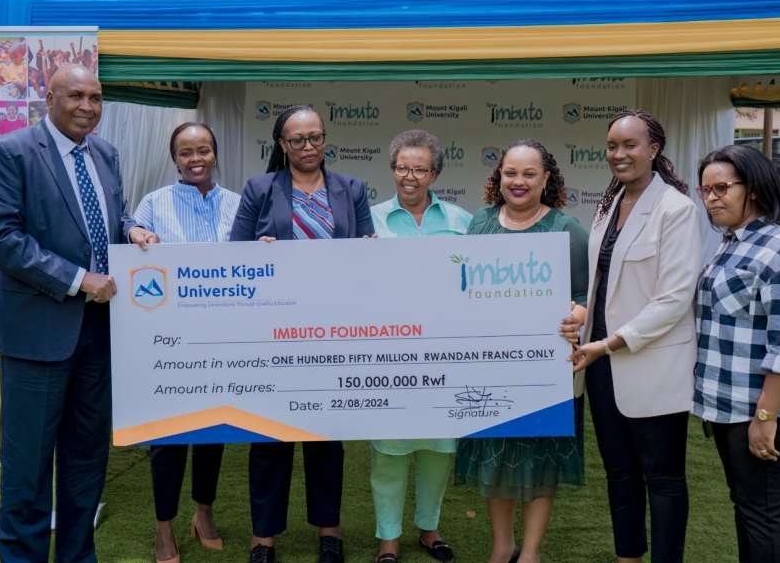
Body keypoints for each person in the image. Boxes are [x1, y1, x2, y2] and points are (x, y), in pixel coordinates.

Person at [0, 64, 159, 563]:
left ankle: (79, 556)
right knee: (27, 471)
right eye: (75, 95)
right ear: (49, 97)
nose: (87, 106)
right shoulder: (10, 152)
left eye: (95, 98)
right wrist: (79, 280)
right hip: (36, 334)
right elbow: (0, 238)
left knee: (85, 465)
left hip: (99, 333)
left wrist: (133, 230)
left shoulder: (105, 153)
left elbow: (104, 219)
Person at [230, 105, 375, 563]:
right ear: (282, 145)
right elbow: (234, 255)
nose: (309, 147)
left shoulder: (351, 189)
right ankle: (263, 538)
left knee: (326, 438)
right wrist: (259, 252)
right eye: (298, 140)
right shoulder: (260, 188)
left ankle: (329, 532)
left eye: (316, 137)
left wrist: (370, 253)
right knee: (268, 439)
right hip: (273, 333)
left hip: (334, 331)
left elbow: (370, 255)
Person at [567, 110, 702, 563]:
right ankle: (628, 558)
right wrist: (582, 318)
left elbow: (674, 298)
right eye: (612, 146)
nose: (619, 154)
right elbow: (603, 285)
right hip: (601, 362)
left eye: (630, 145)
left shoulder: (677, 210)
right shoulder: (608, 205)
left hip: (651, 362)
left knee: (662, 479)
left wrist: (607, 343)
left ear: (654, 149)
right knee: (619, 474)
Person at [455, 139, 589, 563]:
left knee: (540, 457)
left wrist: (578, 314)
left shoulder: (567, 230)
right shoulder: (480, 223)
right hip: (489, 368)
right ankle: (502, 545)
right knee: (496, 453)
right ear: (499, 176)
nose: (518, 181)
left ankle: (529, 553)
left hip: (545, 368)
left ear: (546, 179)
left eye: (529, 174)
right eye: (510, 172)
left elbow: (586, 295)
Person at [693, 145, 780, 563]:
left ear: (755, 189)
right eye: (705, 189)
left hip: (759, 411)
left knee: (762, 515)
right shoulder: (733, 244)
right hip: (728, 408)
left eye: (722, 187)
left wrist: (766, 417)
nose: (711, 197)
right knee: (746, 510)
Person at [133, 122, 240, 563]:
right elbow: (132, 242)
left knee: (212, 432)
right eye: (186, 152)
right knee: (169, 439)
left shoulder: (238, 204)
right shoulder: (153, 205)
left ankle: (204, 513)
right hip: (168, 344)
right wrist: (134, 233)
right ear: (174, 158)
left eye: (203, 150)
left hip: (221, 340)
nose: (195, 159)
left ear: (215, 154)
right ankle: (164, 529)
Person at [369, 130, 472, 563]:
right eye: (402, 167)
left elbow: (477, 283)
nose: (410, 176)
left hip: (445, 352)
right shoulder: (368, 220)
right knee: (389, 449)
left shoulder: (461, 221)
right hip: (386, 352)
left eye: (420, 169)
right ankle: (387, 538)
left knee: (438, 447)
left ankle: (429, 529)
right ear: (393, 170)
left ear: (434, 174)